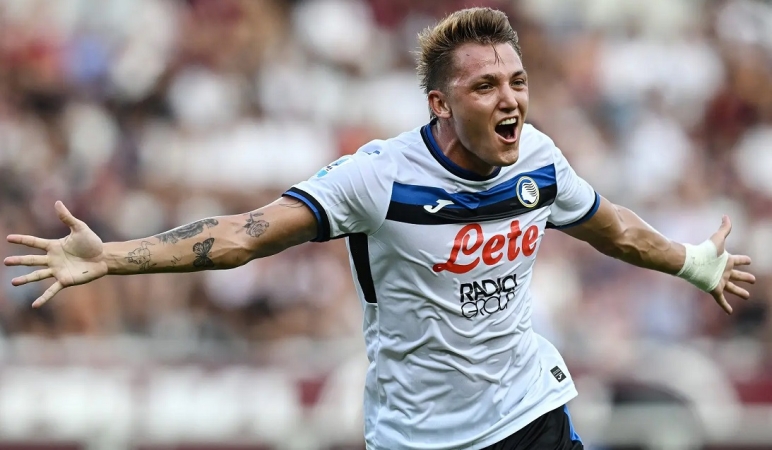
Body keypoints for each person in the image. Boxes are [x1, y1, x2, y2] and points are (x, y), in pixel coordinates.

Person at [3, 7, 755, 450]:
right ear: (440, 104)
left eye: (517, 82)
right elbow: (243, 235)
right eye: (485, 85)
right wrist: (114, 258)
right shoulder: (377, 178)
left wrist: (695, 263)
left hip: (528, 412)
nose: (511, 100)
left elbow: (613, 229)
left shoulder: (540, 162)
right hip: (418, 436)